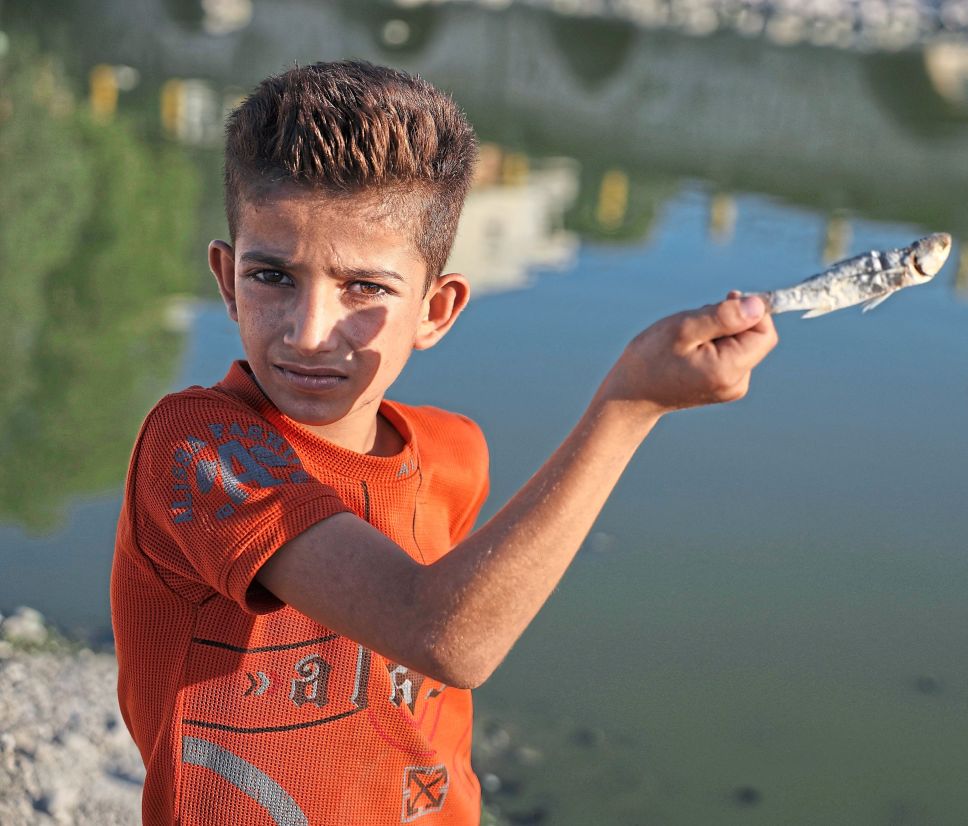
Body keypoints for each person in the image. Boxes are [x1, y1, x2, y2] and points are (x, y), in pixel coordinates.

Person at [111, 59, 777, 825]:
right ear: (227, 280)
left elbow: (443, 671)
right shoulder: (197, 450)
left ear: (439, 308)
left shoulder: (455, 454)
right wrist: (628, 406)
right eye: (273, 277)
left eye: (365, 288)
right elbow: (443, 637)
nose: (309, 330)